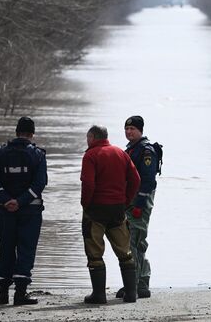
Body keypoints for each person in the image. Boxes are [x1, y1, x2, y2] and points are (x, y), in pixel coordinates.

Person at [0, 117, 47, 306]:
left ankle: (2, 294)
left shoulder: (0, 153)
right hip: (30, 211)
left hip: (6, 211)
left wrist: (6, 200)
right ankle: (20, 294)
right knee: (26, 250)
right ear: (31, 134)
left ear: (16, 132)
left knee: (6, 248)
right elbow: (40, 183)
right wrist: (20, 201)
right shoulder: (37, 155)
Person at [80, 125, 141, 303]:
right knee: (125, 252)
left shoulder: (90, 155)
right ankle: (131, 294)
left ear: (92, 137)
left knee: (95, 253)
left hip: (96, 210)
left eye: (87, 137)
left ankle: (99, 295)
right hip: (117, 209)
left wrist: (86, 204)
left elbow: (88, 184)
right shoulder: (120, 153)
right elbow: (135, 179)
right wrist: (126, 201)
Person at [117, 115, 158, 299]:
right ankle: (136, 283)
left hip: (140, 202)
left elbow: (148, 181)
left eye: (132, 129)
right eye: (126, 129)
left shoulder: (146, 151)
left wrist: (139, 205)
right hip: (130, 202)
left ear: (140, 130)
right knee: (132, 242)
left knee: (136, 241)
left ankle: (137, 284)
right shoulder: (131, 149)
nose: (128, 132)